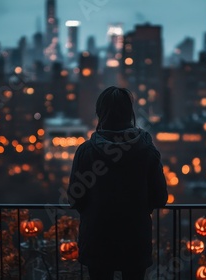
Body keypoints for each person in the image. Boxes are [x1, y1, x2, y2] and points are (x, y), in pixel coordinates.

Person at [68, 86, 168, 279]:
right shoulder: (147, 151)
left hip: (97, 240)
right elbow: (160, 198)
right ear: (129, 113)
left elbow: (74, 198)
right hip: (135, 240)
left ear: (100, 113)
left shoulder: (86, 152)